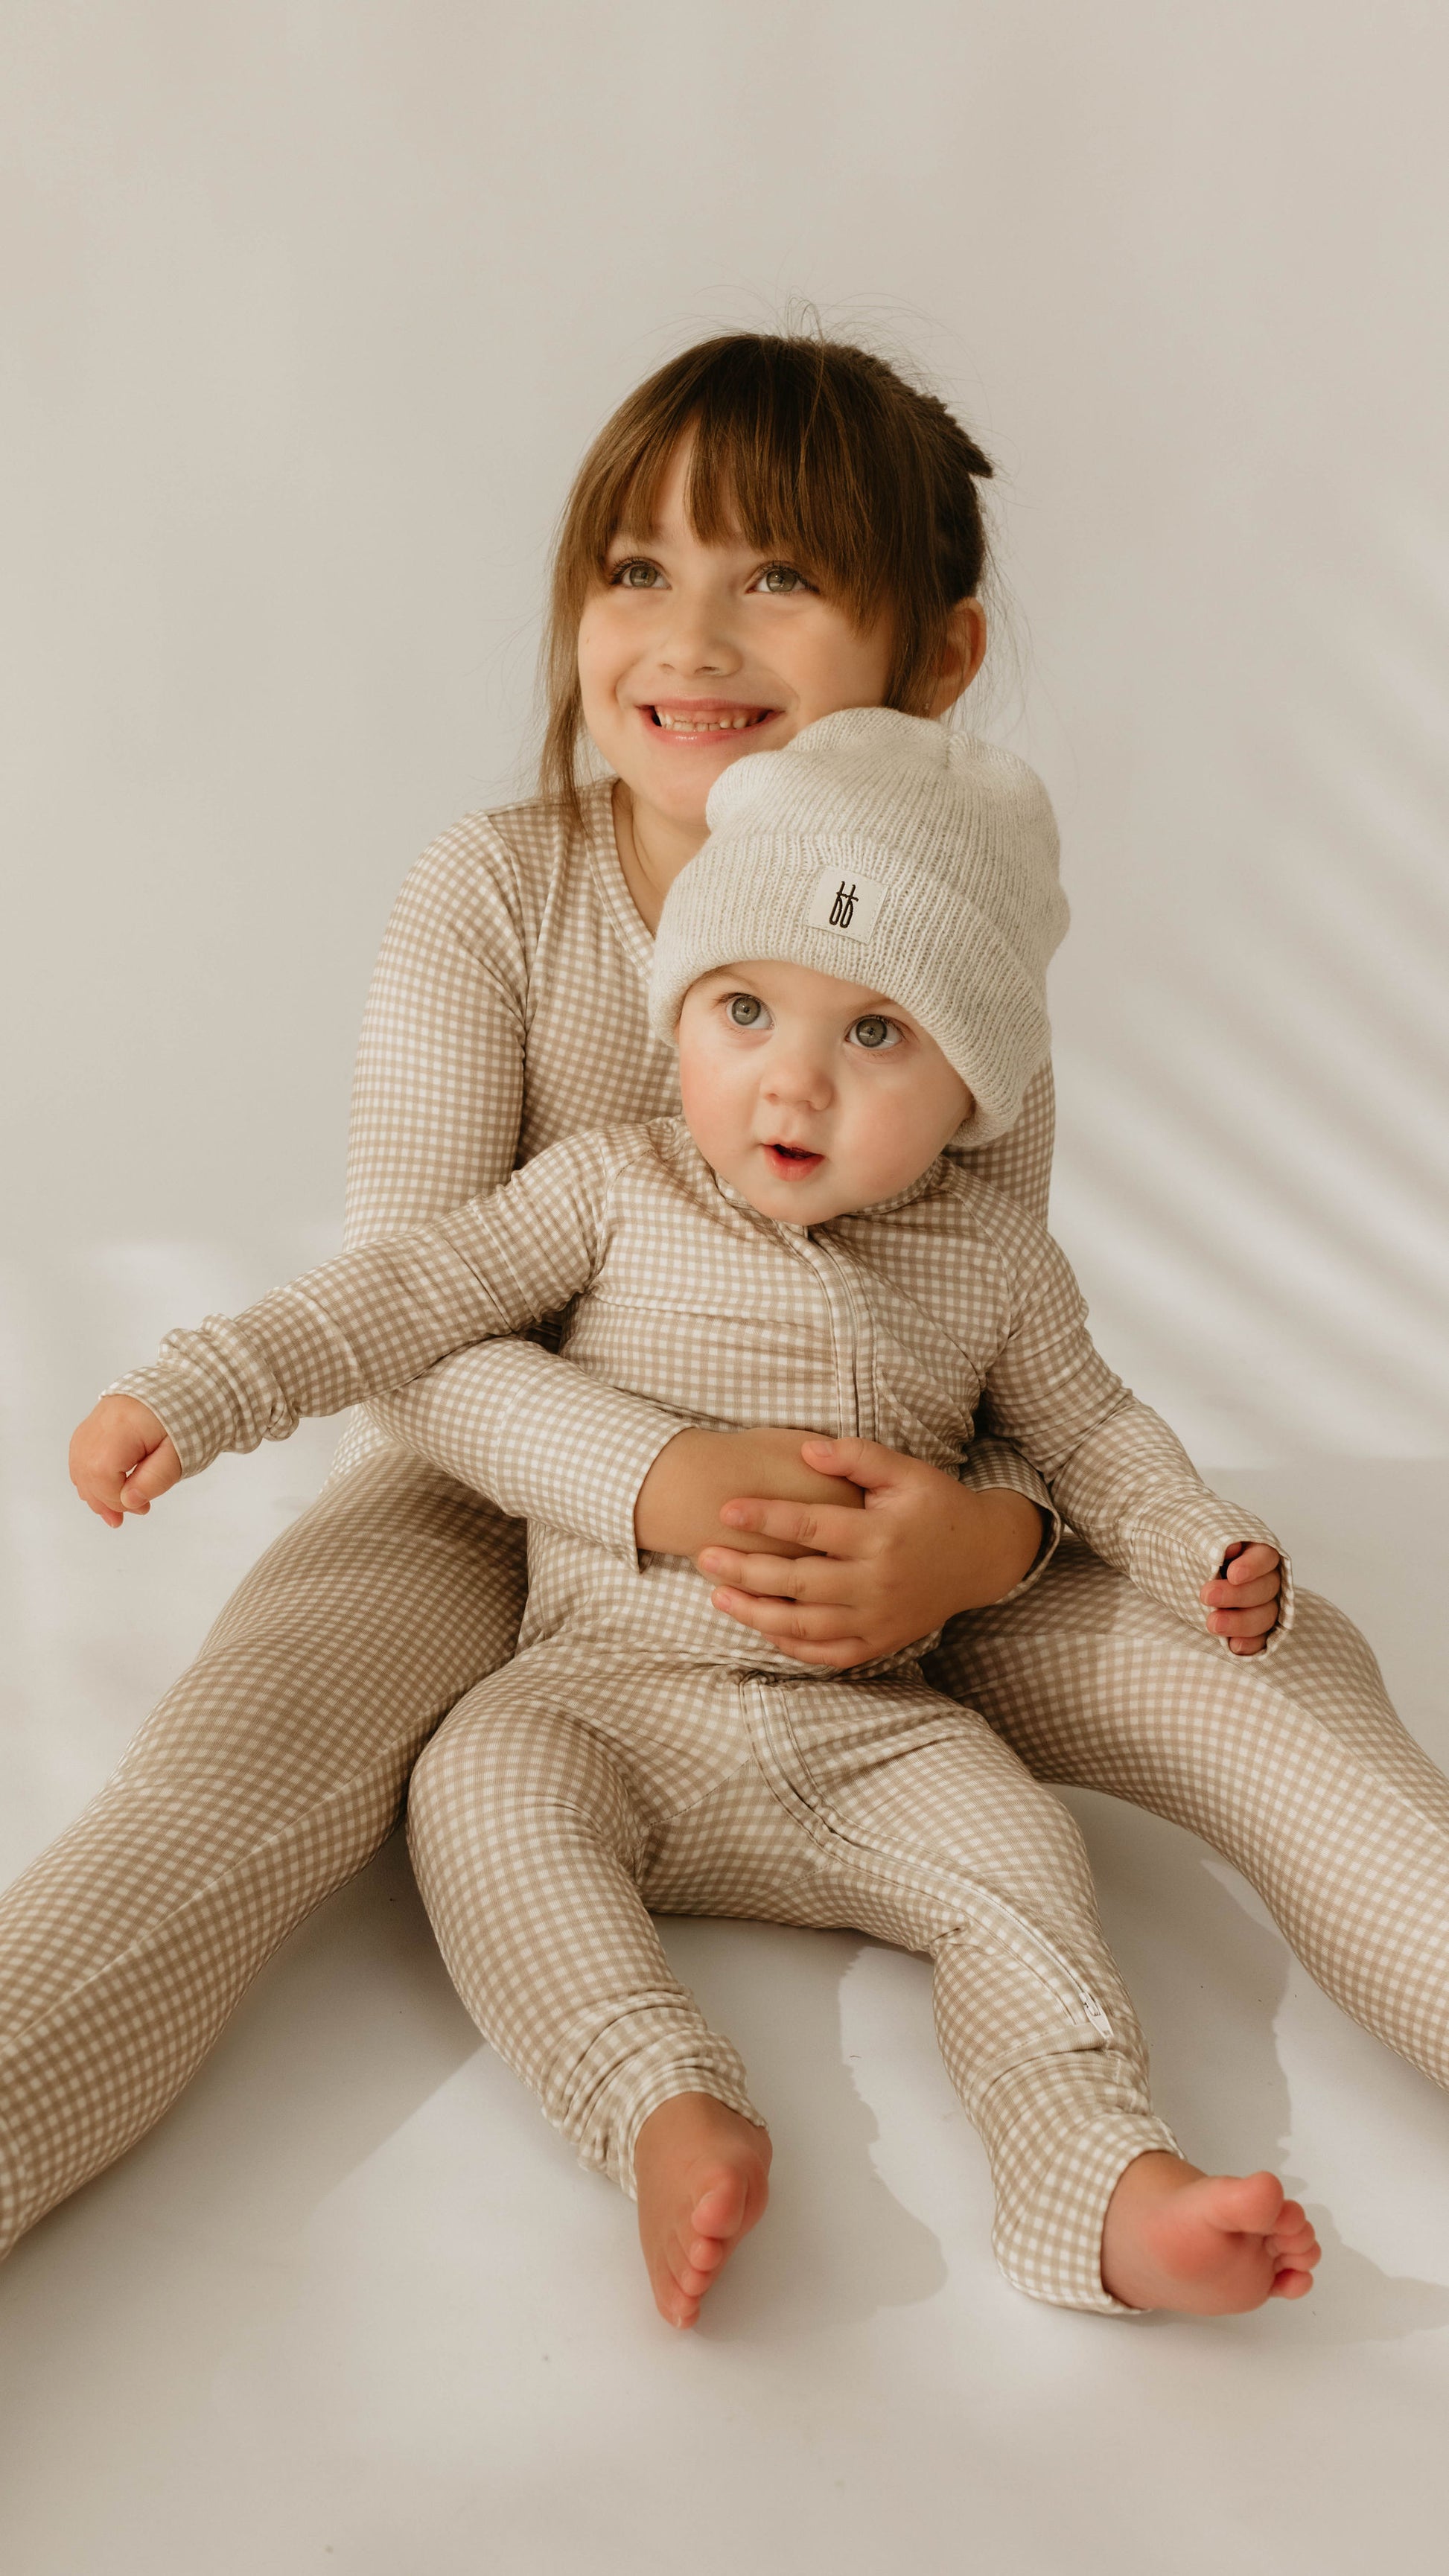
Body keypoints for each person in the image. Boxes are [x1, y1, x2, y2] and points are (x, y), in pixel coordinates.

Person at [5, 331, 1445, 2310]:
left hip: (897, 1494)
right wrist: (661, 1479)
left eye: (774, 573)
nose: (687, 632)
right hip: (480, 1478)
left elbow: (1015, 1340)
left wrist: (983, 1541)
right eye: (633, 565)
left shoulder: (960, 951)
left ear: (933, 660)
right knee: (226, 1781)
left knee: (1285, 1679)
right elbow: (415, 1312)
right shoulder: (496, 897)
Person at [69, 707, 1321, 2324]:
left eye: (876, 1034)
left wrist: (1201, 1550)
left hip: (875, 1726)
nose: (790, 1076)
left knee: (1023, 1855)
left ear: (977, 1093)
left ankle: (1100, 2175)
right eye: (743, 1008)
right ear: (680, 1024)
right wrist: (200, 1388)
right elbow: (406, 1296)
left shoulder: (995, 1265)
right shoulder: (606, 1186)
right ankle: (660, 2100)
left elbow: (1094, 1438)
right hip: (601, 1699)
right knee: (480, 1790)